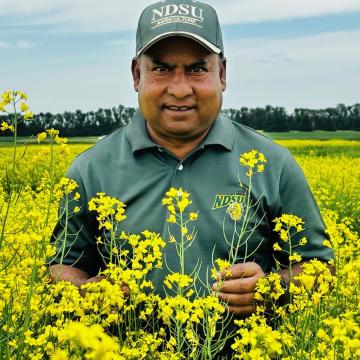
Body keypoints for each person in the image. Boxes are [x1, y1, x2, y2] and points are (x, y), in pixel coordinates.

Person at [49, 0, 333, 318]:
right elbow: (61, 268)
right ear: (136, 75)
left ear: (222, 73)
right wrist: (87, 293)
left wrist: (272, 289)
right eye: (161, 68)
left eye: (197, 69)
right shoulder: (90, 170)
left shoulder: (272, 164)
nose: (181, 89)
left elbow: (320, 269)